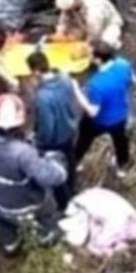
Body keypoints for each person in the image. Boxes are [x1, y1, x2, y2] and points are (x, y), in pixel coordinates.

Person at [0, 94, 68, 255]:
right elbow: (48, 177)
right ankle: (46, 237)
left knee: (4, 223)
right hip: (26, 205)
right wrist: (57, 164)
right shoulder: (23, 153)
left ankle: (10, 246)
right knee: (47, 210)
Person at [71, 44, 136, 178]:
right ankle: (121, 167)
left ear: (98, 60)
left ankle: (76, 163)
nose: (88, 56)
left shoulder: (96, 84)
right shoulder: (123, 64)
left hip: (99, 121)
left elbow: (93, 112)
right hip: (121, 116)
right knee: (121, 142)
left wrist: (76, 90)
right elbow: (132, 80)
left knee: (83, 141)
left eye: (90, 54)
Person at [28, 51, 79, 209]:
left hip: (54, 141)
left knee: (56, 172)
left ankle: (64, 203)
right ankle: (73, 186)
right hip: (70, 130)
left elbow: (47, 126)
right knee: (70, 161)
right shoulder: (65, 79)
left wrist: (39, 141)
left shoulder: (42, 97)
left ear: (36, 71)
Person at [54, 0, 124, 49]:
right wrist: (60, 32)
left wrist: (84, 47)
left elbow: (93, 34)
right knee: (72, 37)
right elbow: (64, 17)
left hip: (108, 23)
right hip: (85, 21)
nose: (68, 12)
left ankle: (115, 47)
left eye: (70, 9)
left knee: (105, 42)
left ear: (75, 3)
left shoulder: (94, 7)